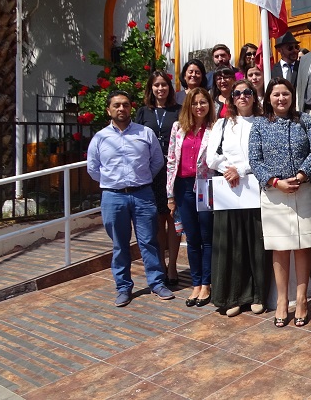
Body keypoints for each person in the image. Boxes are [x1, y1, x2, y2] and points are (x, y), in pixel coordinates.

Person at [87, 90, 174, 307]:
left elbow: (157, 162)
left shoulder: (145, 133)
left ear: (130, 108)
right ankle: (123, 287)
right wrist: (114, 183)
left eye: (125, 105)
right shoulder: (100, 138)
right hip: (113, 197)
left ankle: (156, 283)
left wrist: (140, 179)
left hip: (143, 194)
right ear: (109, 110)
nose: (121, 109)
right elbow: (93, 168)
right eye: (116, 105)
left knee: (149, 242)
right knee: (119, 244)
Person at [249, 78, 311, 327]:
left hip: (304, 189)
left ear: (293, 96)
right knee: (280, 247)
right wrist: (274, 181)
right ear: (268, 98)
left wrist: (302, 175)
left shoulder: (305, 121)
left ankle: (301, 299)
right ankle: (282, 300)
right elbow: (255, 159)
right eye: (276, 94)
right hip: (274, 192)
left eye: (286, 94)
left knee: (303, 245)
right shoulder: (259, 124)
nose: (281, 99)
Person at [207, 79, 269, 317]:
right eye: (237, 93)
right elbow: (211, 157)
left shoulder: (263, 123)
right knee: (231, 243)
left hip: (255, 188)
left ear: (254, 97)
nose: (242, 96)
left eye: (247, 92)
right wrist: (228, 168)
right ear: (231, 98)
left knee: (255, 242)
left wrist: (241, 169)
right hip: (230, 191)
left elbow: (264, 154)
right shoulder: (222, 124)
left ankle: (257, 294)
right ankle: (232, 296)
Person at [166, 87, 215, 307]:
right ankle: (196, 284)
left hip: (206, 187)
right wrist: (170, 195)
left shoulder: (214, 128)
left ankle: (207, 283)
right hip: (183, 187)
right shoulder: (178, 128)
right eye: (195, 103)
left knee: (207, 237)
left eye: (203, 102)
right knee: (192, 238)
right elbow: (171, 162)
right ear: (188, 106)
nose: (199, 107)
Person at [135, 71, 182, 286]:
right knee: (158, 220)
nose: (160, 89)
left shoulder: (178, 111)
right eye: (156, 85)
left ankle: (173, 266)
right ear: (150, 88)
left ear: (169, 88)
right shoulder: (143, 112)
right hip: (152, 172)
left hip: (173, 170)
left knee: (173, 219)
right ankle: (161, 265)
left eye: (164, 85)